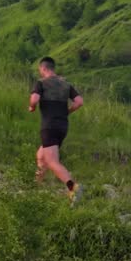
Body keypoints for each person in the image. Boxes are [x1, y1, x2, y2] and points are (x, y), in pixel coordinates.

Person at [28, 56, 84, 204]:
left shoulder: (41, 83)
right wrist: (67, 111)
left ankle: (73, 187)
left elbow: (34, 99)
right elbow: (79, 102)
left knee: (52, 161)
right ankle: (35, 187)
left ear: (43, 68)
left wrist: (32, 107)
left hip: (49, 126)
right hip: (62, 126)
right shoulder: (65, 84)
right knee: (41, 155)